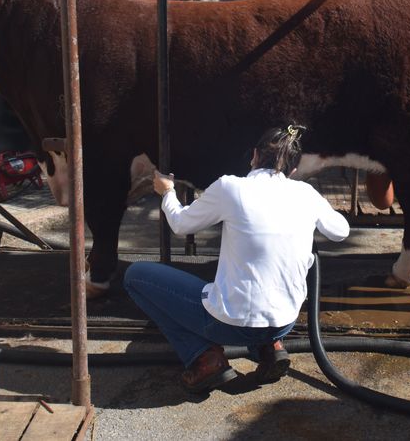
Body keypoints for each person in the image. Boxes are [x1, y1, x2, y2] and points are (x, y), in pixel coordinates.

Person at [124, 126, 350, 394]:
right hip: (286, 320)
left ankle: (204, 357)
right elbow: (340, 232)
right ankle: (270, 347)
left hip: (230, 326)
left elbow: (181, 224)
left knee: (135, 276)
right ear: (292, 171)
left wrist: (167, 192)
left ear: (253, 156)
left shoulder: (230, 187)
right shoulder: (306, 194)